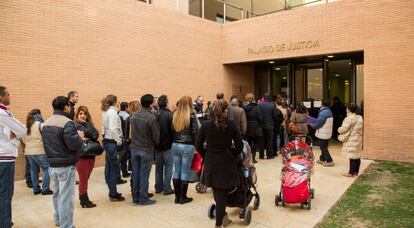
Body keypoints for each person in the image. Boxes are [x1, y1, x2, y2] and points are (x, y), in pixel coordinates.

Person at [195, 100, 243, 228]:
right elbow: (240, 145)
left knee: (218, 191)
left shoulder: (205, 125)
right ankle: (219, 223)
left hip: (212, 161)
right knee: (221, 191)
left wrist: (206, 155)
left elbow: (198, 144)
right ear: (227, 112)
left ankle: (222, 218)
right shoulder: (231, 125)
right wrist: (233, 154)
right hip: (226, 160)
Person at [42, 96, 84, 228]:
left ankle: (59, 220)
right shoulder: (67, 122)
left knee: (57, 194)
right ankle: (66, 225)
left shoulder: (47, 122)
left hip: (52, 165)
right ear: (66, 106)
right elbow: (73, 144)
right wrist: (80, 138)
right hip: (65, 165)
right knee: (66, 198)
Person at [0, 85, 27, 228]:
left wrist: (14, 136)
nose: (9, 97)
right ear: (1, 97)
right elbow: (22, 130)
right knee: (5, 194)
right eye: (8, 94)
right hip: (4, 159)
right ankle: (4, 223)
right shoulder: (2, 113)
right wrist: (16, 136)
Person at [130, 94, 160, 206]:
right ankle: (143, 198)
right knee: (143, 175)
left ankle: (135, 198)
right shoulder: (151, 118)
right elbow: (156, 137)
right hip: (146, 150)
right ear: (151, 104)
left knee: (136, 173)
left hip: (135, 148)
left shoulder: (134, 116)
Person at [171, 96, 199, 204]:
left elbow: (172, 130)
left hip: (175, 144)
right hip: (187, 145)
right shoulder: (191, 114)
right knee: (185, 171)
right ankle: (183, 197)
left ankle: (177, 197)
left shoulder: (175, 114)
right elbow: (195, 132)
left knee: (176, 170)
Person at [22, 109, 53, 195]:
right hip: (40, 151)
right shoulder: (41, 125)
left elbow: (23, 140)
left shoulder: (26, 126)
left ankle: (36, 189)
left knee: (33, 170)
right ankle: (45, 189)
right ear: (38, 115)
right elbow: (48, 138)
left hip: (29, 152)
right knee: (47, 169)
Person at [74, 106, 99, 208]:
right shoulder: (74, 125)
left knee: (86, 178)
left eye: (84, 114)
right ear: (77, 115)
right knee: (83, 179)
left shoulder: (89, 124)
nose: (82, 115)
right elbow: (90, 135)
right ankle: (84, 200)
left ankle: (84, 197)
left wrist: (86, 124)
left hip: (91, 154)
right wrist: (88, 133)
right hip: (81, 156)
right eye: (80, 113)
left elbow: (95, 135)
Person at [101, 94, 125, 201]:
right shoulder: (113, 113)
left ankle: (112, 191)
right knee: (113, 169)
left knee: (111, 168)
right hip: (112, 142)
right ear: (115, 102)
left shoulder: (106, 112)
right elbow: (113, 128)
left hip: (107, 141)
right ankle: (113, 193)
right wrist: (119, 141)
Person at [154, 95, 175, 195]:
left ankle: (158, 187)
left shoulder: (154, 114)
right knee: (168, 167)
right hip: (168, 145)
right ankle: (167, 188)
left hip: (157, 146)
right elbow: (173, 130)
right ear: (166, 103)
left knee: (158, 168)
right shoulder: (169, 115)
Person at [338, 103, 363, 177]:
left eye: (347, 108)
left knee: (352, 156)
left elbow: (343, 129)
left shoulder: (349, 118)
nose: (346, 109)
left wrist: (339, 129)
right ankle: (356, 172)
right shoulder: (359, 117)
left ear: (349, 109)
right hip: (358, 139)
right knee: (357, 155)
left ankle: (351, 173)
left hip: (351, 139)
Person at [311, 99, 335, 167]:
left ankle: (329, 160)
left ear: (322, 104)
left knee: (323, 147)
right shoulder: (328, 111)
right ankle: (322, 159)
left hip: (323, 133)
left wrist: (312, 125)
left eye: (320, 103)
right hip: (327, 132)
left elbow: (319, 124)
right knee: (323, 147)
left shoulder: (323, 113)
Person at [258, 94, 280, 159]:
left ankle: (261, 155)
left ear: (264, 98)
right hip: (270, 126)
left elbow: (258, 115)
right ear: (269, 98)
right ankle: (269, 155)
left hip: (262, 125)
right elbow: (275, 116)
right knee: (269, 141)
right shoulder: (272, 105)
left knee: (261, 141)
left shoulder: (259, 105)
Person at [243, 93, 262, 163]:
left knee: (249, 144)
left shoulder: (245, 108)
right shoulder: (257, 107)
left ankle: (249, 158)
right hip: (255, 128)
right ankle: (253, 157)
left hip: (248, 128)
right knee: (256, 143)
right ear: (253, 99)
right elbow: (260, 117)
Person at [119, 101, 131, 179]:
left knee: (122, 156)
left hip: (121, 137)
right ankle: (125, 172)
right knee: (125, 155)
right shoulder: (127, 116)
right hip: (126, 138)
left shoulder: (118, 114)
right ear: (126, 107)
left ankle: (124, 171)